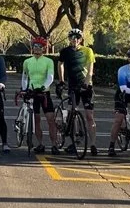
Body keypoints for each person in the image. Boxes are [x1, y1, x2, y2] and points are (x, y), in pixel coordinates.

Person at [58, 28, 97, 156]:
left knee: (89, 116)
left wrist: (87, 83)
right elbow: (60, 65)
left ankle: (93, 144)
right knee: (72, 111)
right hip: (72, 86)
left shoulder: (88, 51)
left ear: (80, 39)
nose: (75, 40)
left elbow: (90, 69)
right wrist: (62, 81)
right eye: (72, 37)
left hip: (86, 86)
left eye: (77, 38)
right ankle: (73, 141)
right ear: (69, 39)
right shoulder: (65, 51)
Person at [21, 36, 57, 155]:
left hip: (44, 93)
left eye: (40, 47)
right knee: (36, 120)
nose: (37, 48)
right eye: (35, 46)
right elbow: (25, 76)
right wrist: (25, 89)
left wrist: (43, 87)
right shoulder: (27, 61)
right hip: (32, 93)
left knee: (50, 119)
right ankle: (40, 144)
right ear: (32, 48)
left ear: (44, 49)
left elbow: (50, 77)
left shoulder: (48, 61)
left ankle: (54, 145)